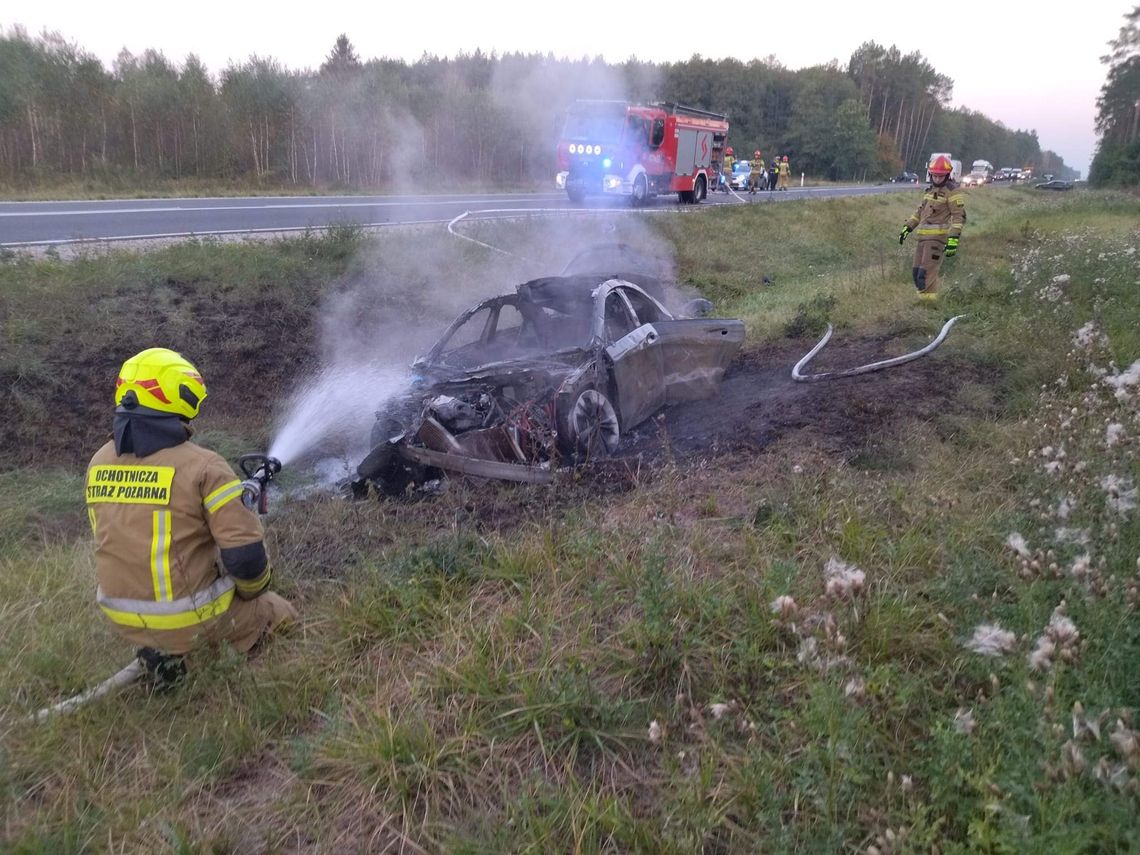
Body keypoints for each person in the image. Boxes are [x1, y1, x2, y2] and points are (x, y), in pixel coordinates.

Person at [86, 347, 298, 683]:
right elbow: (246, 561)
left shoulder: (99, 461)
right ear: (177, 398)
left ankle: (167, 658)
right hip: (186, 618)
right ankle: (204, 660)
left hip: (120, 617)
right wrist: (252, 594)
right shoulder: (204, 466)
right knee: (278, 611)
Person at [898, 154, 967, 301]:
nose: (936, 179)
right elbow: (919, 213)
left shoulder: (952, 192)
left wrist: (953, 241)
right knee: (917, 273)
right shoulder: (929, 192)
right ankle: (924, 302)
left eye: (940, 176)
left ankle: (928, 305)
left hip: (936, 241)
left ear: (947, 175)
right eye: (934, 176)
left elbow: (958, 217)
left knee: (926, 274)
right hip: (922, 240)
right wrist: (907, 228)